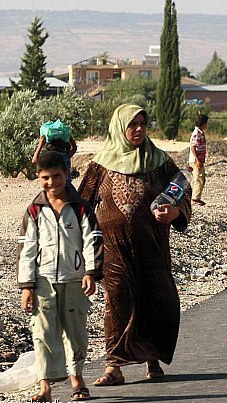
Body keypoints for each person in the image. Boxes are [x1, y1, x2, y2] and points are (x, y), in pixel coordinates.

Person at [79, 103, 192, 386]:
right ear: (120, 127)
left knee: (156, 298)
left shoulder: (159, 161)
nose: (139, 129)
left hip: (152, 246)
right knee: (116, 303)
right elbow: (82, 204)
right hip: (113, 249)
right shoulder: (101, 164)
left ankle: (152, 358)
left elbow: (183, 190)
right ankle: (113, 366)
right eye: (132, 124)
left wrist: (175, 212)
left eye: (142, 123)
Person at [18, 151, 103, 403]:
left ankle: (77, 380)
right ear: (38, 177)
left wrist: (90, 272)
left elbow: (92, 240)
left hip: (75, 280)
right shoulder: (34, 210)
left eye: (57, 176)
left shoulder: (80, 208)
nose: (51, 182)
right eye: (45, 177)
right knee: (43, 332)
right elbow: (26, 249)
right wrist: (27, 286)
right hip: (43, 282)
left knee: (75, 332)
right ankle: (45, 387)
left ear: (66, 174)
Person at [32, 119, 78, 191]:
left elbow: (34, 160)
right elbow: (74, 148)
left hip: (54, 187)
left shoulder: (49, 158)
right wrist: (69, 137)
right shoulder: (65, 156)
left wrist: (40, 144)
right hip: (68, 187)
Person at [189, 113, 208, 206]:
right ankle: (195, 199)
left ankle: (196, 197)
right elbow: (193, 147)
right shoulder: (196, 133)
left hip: (199, 160)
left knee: (201, 178)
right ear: (203, 123)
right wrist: (197, 160)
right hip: (196, 161)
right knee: (198, 178)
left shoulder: (200, 133)